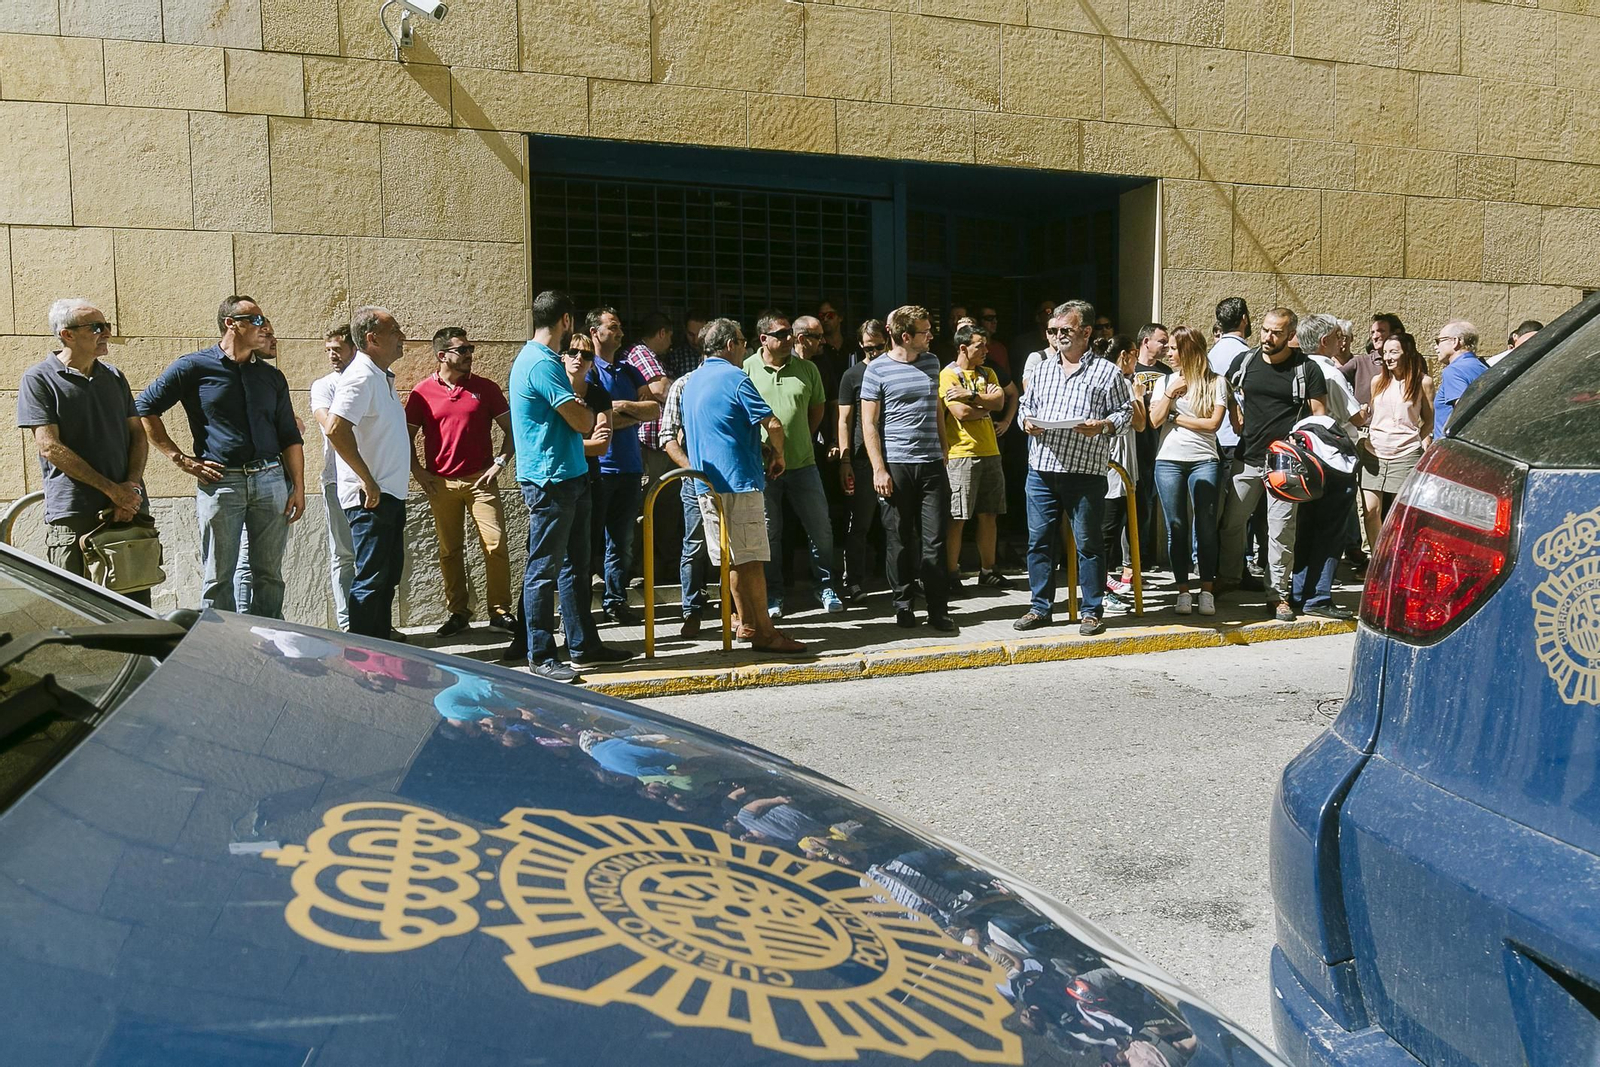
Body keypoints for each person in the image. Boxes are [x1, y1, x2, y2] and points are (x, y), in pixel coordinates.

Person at [136, 296, 304, 618]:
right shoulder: (193, 367)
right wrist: (181, 459)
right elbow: (144, 407)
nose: (264, 326)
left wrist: (297, 486)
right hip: (221, 483)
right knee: (218, 577)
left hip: (271, 480)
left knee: (269, 575)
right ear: (231, 324)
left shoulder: (271, 377)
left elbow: (289, 436)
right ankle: (220, 643)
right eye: (256, 320)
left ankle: (269, 638)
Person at [509, 290, 631, 682]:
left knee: (577, 568)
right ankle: (541, 655)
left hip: (571, 475)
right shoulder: (541, 363)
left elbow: (579, 418)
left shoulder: (542, 361)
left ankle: (583, 645)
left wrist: (584, 415)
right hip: (550, 480)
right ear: (566, 321)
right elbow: (581, 421)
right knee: (543, 570)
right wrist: (588, 415)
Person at [681, 317, 806, 654]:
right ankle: (765, 632)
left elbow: (716, 429)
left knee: (732, 559)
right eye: (742, 342)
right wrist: (778, 454)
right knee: (751, 560)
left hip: (706, 485)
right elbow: (773, 423)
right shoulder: (735, 377)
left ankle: (747, 624)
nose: (746, 348)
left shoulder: (692, 381)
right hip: (738, 482)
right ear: (730, 345)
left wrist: (757, 447)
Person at [17, 299, 152, 604]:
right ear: (67, 334)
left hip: (129, 510)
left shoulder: (115, 377)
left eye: (107, 325)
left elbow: (138, 435)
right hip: (76, 513)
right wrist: (113, 491)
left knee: (134, 609)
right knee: (77, 607)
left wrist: (130, 488)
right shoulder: (38, 379)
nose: (106, 333)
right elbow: (49, 447)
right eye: (96, 327)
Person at [1012, 301, 1134, 636]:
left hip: (1085, 473)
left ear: (1086, 332)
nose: (1059, 336)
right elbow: (1026, 405)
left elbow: (1126, 413)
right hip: (1042, 469)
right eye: (1054, 330)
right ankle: (1040, 608)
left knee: (1089, 544)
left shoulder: (1107, 372)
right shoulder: (1042, 369)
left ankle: (1092, 611)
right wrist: (1026, 422)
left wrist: (1104, 426)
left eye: (1066, 330)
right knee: (1039, 542)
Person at [1216, 307, 1329, 621]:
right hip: (1247, 457)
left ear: (1290, 335)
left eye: (1276, 333)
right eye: (1265, 330)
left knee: (1280, 531)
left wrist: (1303, 445)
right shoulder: (1246, 361)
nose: (1268, 337)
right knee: (1232, 523)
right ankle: (1229, 576)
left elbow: (1320, 415)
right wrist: (1235, 414)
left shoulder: (1306, 369)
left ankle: (1277, 594)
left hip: (1285, 465)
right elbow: (1225, 388)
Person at [406, 327, 516, 638]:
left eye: (470, 349)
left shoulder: (486, 388)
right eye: (463, 350)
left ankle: (499, 612)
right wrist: (417, 471)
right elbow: (404, 436)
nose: (470, 354)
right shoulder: (421, 392)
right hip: (441, 484)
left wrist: (500, 462)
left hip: (481, 481)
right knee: (449, 550)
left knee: (495, 545)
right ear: (442, 355)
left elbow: (513, 430)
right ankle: (458, 612)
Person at [862, 305, 955, 632]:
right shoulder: (877, 369)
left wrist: (944, 445)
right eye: (924, 332)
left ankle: (938, 609)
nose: (930, 336)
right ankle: (903, 604)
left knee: (935, 540)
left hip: (931, 463)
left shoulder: (932, 362)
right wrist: (879, 468)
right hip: (897, 463)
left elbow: (936, 406)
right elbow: (869, 423)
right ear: (905, 336)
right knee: (900, 538)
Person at [743, 311, 842, 617]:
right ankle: (773, 593)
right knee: (769, 533)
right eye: (781, 334)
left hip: (803, 463)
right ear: (763, 339)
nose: (789, 339)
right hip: (762, 467)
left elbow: (817, 410)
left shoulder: (807, 368)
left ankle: (825, 586)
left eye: (789, 333)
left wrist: (800, 439)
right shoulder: (746, 368)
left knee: (820, 528)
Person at [323, 306, 411, 641]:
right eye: (395, 331)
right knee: (372, 580)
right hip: (371, 498)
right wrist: (367, 479)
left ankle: (380, 651)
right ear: (372, 339)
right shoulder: (360, 377)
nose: (402, 337)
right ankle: (362, 658)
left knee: (385, 578)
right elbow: (335, 429)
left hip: (389, 495)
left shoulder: (379, 376)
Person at [1149, 325, 1236, 616]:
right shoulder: (1165, 381)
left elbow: (1212, 425)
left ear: (1188, 350)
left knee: (1206, 526)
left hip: (1204, 460)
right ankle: (1183, 591)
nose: (1168, 353)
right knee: (1176, 527)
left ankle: (1207, 590)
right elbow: (1154, 421)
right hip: (1168, 460)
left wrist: (1176, 418)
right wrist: (1170, 394)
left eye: (1174, 348)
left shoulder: (1216, 382)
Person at [587, 307, 660, 626]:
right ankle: (579, 607)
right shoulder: (587, 371)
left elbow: (654, 409)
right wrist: (626, 415)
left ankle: (615, 602)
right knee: (588, 542)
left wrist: (622, 407)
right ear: (594, 332)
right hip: (599, 470)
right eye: (613, 327)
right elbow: (590, 422)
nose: (620, 333)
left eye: (619, 327)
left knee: (622, 542)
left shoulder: (629, 371)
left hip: (630, 469)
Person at [1289, 314, 1366, 620]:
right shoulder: (1330, 373)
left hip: (1300, 456)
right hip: (1332, 458)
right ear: (1324, 341)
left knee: (1306, 527)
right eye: (1337, 336)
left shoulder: (1295, 367)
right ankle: (1319, 595)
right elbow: (1355, 416)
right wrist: (1368, 410)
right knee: (1331, 529)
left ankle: (1299, 591)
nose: (1341, 341)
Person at [940, 323, 1008, 591]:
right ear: (963, 348)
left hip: (990, 451)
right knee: (957, 516)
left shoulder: (988, 372)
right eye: (980, 346)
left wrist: (970, 395)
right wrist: (984, 405)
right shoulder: (948, 374)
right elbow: (961, 413)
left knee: (989, 514)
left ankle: (988, 570)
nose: (985, 351)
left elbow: (1000, 402)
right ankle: (950, 573)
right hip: (961, 454)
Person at [1360, 330, 1434, 551]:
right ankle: (1377, 557)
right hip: (1373, 452)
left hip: (1405, 454)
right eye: (1385, 353)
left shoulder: (1423, 382)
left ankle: (1397, 556)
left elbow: (1429, 420)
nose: (1388, 357)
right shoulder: (1377, 381)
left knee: (1401, 513)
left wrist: (1415, 439)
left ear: (1407, 353)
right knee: (1370, 511)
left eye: (1393, 352)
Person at [836, 319, 888, 599]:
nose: (875, 353)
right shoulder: (852, 375)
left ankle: (902, 577)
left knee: (899, 522)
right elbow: (844, 420)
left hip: (893, 453)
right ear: (860, 346)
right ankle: (853, 580)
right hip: (861, 456)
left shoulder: (894, 370)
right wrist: (845, 460)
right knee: (859, 522)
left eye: (880, 347)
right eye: (869, 348)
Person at [658, 366, 711, 636]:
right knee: (694, 545)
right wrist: (690, 469)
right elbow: (667, 435)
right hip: (695, 478)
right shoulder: (684, 384)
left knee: (736, 544)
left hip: (730, 474)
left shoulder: (734, 378)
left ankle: (738, 610)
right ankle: (691, 611)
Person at [309, 325, 356, 629]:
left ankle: (375, 620)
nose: (331, 356)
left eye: (337, 349)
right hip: (336, 479)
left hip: (374, 479)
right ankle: (348, 624)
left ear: (354, 348)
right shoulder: (324, 386)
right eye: (328, 350)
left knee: (372, 554)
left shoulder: (374, 379)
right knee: (343, 553)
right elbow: (330, 426)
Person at [1099, 336, 1146, 605]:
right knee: (1108, 528)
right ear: (1126, 355)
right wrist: (1138, 397)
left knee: (1111, 527)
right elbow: (1140, 424)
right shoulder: (1123, 383)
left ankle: (1104, 582)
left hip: (1119, 464)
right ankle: (1101, 589)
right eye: (1135, 355)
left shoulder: (1109, 379)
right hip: (1115, 465)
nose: (1136, 361)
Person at [1432, 319, 1486, 432]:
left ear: (1455, 341)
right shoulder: (1482, 367)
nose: (1436, 347)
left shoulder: (1453, 370)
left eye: (1438, 341)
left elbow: (1463, 412)